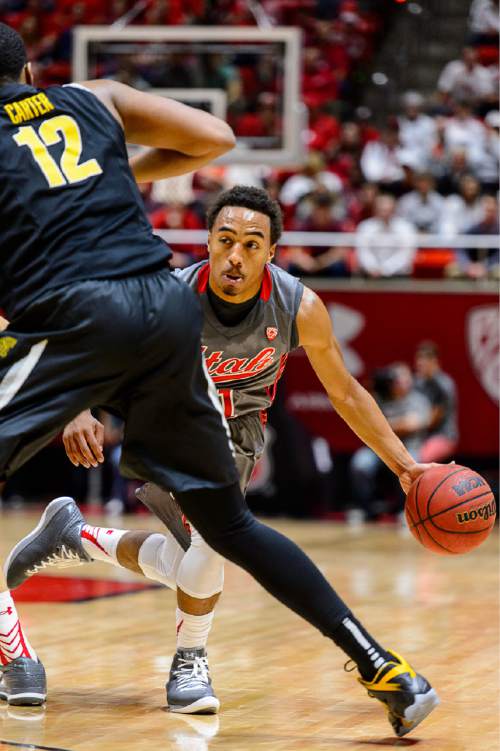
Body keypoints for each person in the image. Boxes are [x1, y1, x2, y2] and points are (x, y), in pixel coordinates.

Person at [0, 26, 438, 737]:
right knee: (230, 527)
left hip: (77, 314)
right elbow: (212, 134)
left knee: (210, 541)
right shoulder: (92, 99)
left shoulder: (296, 303)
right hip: (161, 304)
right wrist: (108, 169)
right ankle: (382, 665)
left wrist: (70, 385)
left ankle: (28, 632)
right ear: (30, 69)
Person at [350, 363, 432, 520]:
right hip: (379, 449)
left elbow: (412, 424)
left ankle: (405, 509)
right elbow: (366, 423)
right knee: (360, 464)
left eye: (402, 378)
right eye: (395, 378)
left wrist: (385, 426)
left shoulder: (418, 400)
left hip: (407, 448)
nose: (399, 382)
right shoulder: (381, 398)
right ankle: (367, 509)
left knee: (413, 466)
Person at [414, 342, 459, 463]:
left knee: (418, 460)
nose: (419, 363)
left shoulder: (444, 385)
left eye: (424, 359)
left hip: (443, 436)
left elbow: (433, 421)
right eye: (418, 358)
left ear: (434, 361)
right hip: (419, 437)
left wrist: (406, 425)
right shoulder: (418, 382)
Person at [355, 194, 417, 277]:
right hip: (370, 274)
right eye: (381, 210)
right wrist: (372, 268)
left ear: (394, 210)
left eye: (388, 210)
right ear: (375, 210)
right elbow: (363, 251)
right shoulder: (365, 226)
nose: (385, 214)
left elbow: (406, 254)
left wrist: (385, 270)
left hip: (398, 275)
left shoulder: (406, 227)